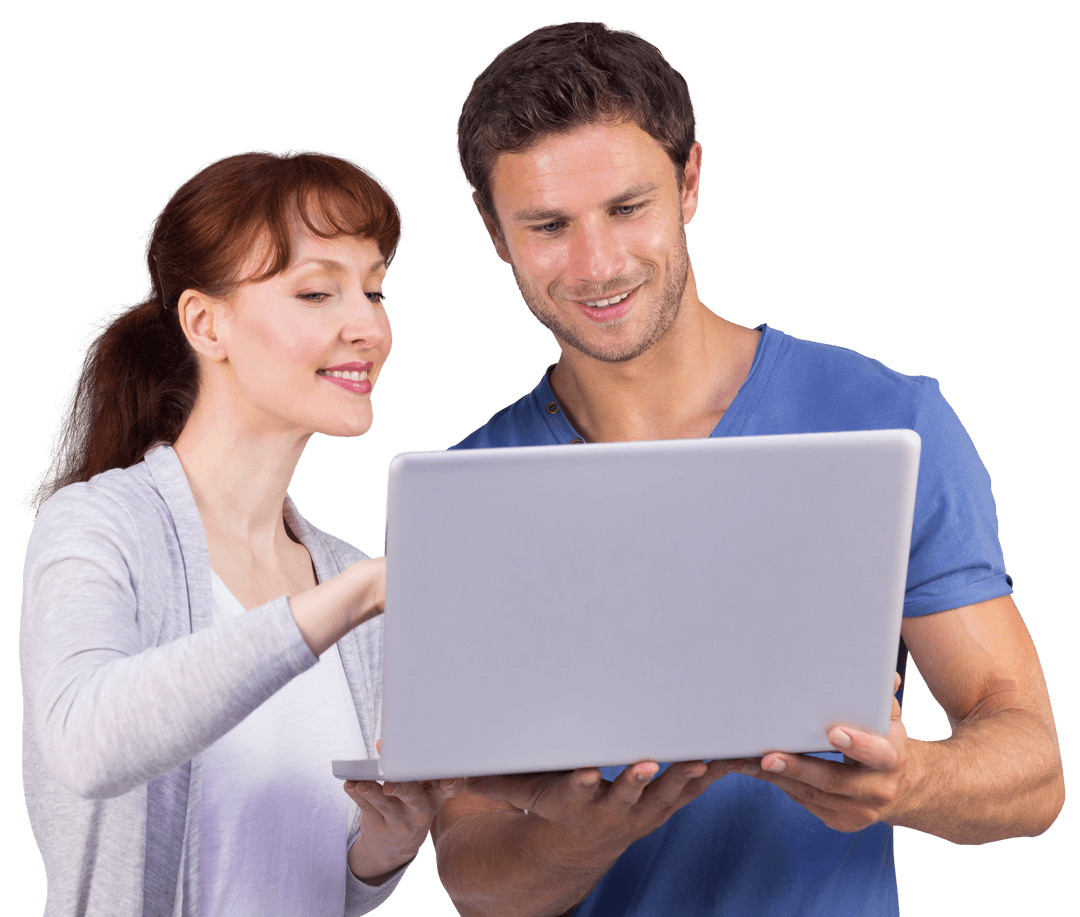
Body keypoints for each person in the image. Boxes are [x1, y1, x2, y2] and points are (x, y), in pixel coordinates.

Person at [431, 21, 1065, 917]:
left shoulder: (887, 420)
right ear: (496, 233)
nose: (597, 263)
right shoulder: (467, 495)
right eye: (547, 225)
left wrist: (909, 779)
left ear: (689, 182)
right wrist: (583, 835)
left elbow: (1033, 769)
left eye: (627, 207)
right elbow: (470, 871)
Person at [20, 149, 460, 917]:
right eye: (318, 291)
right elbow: (84, 741)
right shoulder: (101, 524)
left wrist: (378, 852)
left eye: (376, 289)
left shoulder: (344, 571)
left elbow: (292, 874)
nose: (368, 325)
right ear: (206, 322)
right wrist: (350, 601)